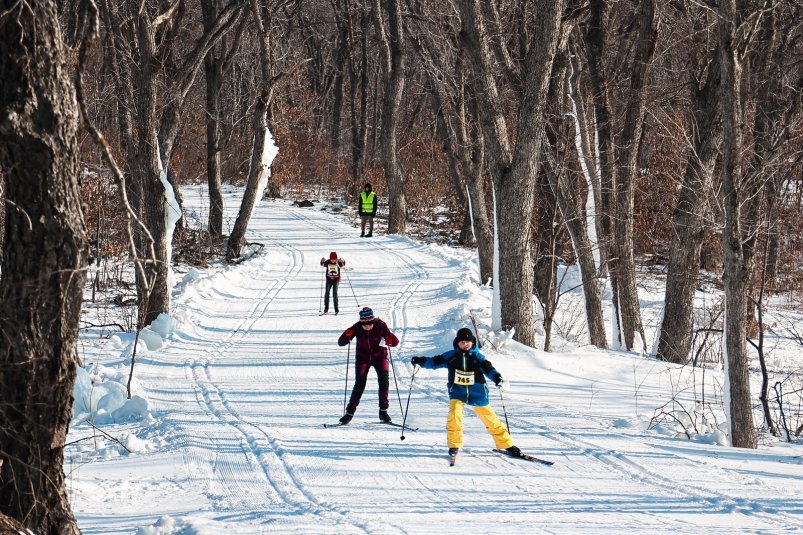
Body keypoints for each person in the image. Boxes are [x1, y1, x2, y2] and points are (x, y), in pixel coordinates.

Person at [410, 327, 521, 458]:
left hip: (478, 392)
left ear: (473, 343)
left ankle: (507, 444)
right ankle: (454, 445)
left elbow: (488, 368)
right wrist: (421, 360)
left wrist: (496, 376)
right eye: (462, 342)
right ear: (457, 343)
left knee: (491, 419)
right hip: (458, 392)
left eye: (467, 342)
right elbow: (435, 362)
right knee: (454, 415)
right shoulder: (451, 356)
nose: (465, 344)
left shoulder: (477, 357)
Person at [337, 307, 400, 424]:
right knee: (359, 384)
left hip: (380, 357)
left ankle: (383, 411)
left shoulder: (381, 325)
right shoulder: (356, 327)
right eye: (364, 325)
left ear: (373, 321)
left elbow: (395, 341)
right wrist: (347, 334)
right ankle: (349, 413)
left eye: (370, 325)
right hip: (362, 358)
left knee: (384, 381)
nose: (367, 327)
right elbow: (341, 343)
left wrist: (390, 340)